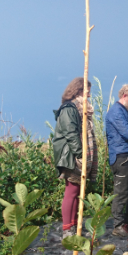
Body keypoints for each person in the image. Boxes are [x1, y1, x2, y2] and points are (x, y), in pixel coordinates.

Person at [52, 78, 98, 239]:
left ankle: (73, 225)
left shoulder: (80, 108)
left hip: (75, 154)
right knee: (71, 190)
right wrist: (80, 154)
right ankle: (67, 228)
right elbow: (70, 133)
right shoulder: (69, 108)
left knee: (77, 190)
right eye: (87, 90)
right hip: (70, 156)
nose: (89, 94)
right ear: (78, 90)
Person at [105, 83, 128, 238]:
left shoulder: (125, 112)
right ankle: (118, 225)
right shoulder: (115, 113)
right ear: (125, 95)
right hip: (120, 157)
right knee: (121, 193)